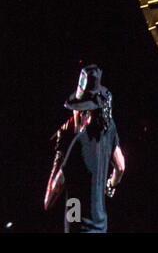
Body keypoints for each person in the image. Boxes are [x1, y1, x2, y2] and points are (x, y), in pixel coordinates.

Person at [44, 64, 125, 233]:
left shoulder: (78, 145)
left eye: (76, 109)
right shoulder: (108, 128)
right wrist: (110, 185)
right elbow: (120, 166)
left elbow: (49, 200)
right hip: (101, 228)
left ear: (84, 112)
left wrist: (60, 152)